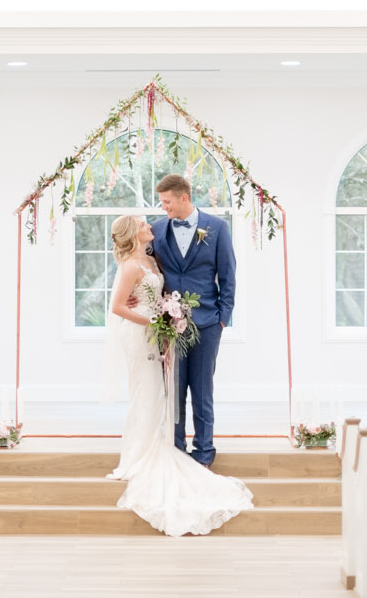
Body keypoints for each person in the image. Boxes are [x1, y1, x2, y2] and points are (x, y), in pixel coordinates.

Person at [104, 212, 253, 536]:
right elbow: (117, 307)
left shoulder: (151, 260)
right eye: (144, 224)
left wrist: (171, 317)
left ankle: (183, 447)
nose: (151, 226)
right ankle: (139, 456)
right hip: (142, 335)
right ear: (134, 232)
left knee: (163, 392)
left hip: (167, 331)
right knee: (148, 392)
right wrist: (156, 322)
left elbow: (173, 287)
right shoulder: (131, 266)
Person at [150, 171, 234, 465]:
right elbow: (143, 266)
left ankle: (204, 452)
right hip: (169, 325)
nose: (164, 207)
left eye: (167, 201)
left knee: (202, 390)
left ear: (183, 197)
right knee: (173, 391)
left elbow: (228, 275)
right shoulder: (157, 229)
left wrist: (223, 317)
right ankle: (175, 450)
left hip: (208, 322)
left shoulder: (218, 228)